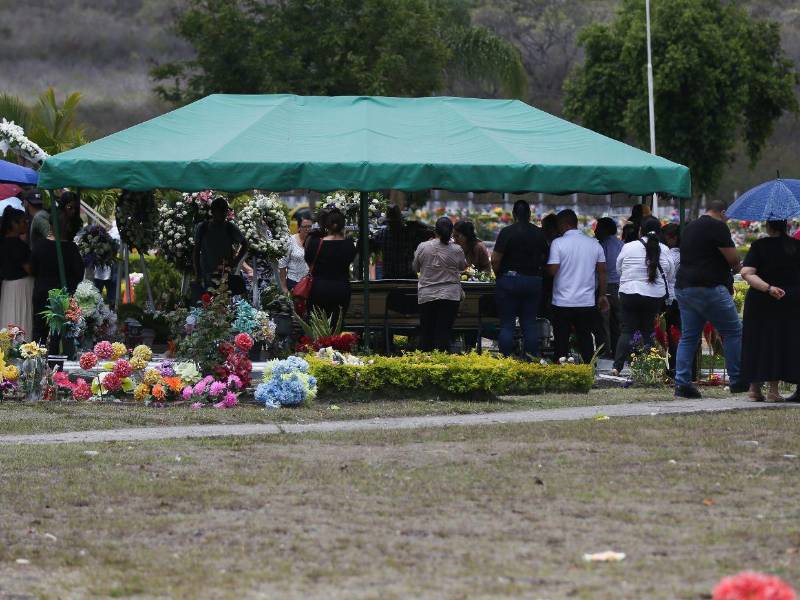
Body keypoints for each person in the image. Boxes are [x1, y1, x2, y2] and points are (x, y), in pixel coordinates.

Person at [674, 200, 747, 398]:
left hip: (684, 287)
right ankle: (737, 379)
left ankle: (682, 383)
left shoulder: (690, 227)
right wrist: (737, 267)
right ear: (722, 212)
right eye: (727, 215)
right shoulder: (717, 227)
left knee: (689, 337)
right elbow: (733, 259)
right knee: (733, 331)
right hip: (709, 287)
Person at [740, 220, 800, 402]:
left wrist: (768, 288)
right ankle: (773, 391)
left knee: (757, 341)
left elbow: (747, 273)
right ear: (787, 226)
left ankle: (754, 389)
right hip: (791, 300)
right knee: (780, 342)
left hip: (762, 299)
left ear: (768, 226)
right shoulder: (796, 246)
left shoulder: (760, 246)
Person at [611, 218, 674, 374]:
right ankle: (649, 367)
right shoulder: (665, 249)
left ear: (640, 231)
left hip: (629, 292)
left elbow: (619, 268)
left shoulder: (629, 246)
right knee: (647, 331)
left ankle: (617, 367)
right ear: (660, 232)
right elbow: (670, 273)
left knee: (627, 330)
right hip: (653, 296)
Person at [547, 209, 609, 363]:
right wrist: (602, 295)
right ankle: (588, 367)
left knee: (561, 339)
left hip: (562, 301)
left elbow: (553, 271)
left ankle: (561, 369)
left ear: (563, 225)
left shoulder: (558, 243)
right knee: (585, 337)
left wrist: (545, 267)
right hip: (586, 301)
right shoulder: (593, 244)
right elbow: (602, 272)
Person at [490, 200, 548, 358]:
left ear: (514, 215)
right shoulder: (539, 233)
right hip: (533, 281)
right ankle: (531, 360)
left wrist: (499, 276)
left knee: (507, 324)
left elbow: (495, 260)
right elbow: (545, 257)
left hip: (510, 280)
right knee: (529, 324)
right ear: (529, 215)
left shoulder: (507, 232)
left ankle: (506, 359)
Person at [31, 211, 84, 350]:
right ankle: (55, 362)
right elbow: (79, 274)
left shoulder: (40, 245)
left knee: (39, 330)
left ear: (50, 226)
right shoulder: (71, 248)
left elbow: (33, 269)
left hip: (42, 292)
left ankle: (37, 360)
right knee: (57, 332)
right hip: (62, 294)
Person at [413, 217, 467, 352]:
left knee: (426, 332)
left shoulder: (423, 246)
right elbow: (462, 266)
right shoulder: (457, 249)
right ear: (451, 232)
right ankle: (442, 364)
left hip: (427, 295)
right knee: (444, 332)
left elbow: (415, 268)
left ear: (435, 231)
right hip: (450, 296)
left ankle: (426, 364)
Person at [305, 208, 357, 326]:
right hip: (341, 289)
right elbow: (351, 259)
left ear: (327, 225)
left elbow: (308, 260)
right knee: (337, 325)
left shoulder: (316, 243)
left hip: (319, 289)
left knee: (316, 326)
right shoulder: (349, 244)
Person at [193, 197, 248, 293]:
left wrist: (235, 262)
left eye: (225, 211)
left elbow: (245, 244)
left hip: (224, 274)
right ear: (213, 212)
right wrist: (198, 274)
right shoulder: (203, 227)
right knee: (208, 302)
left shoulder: (229, 227)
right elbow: (196, 251)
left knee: (223, 302)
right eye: (220, 211)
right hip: (207, 274)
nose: (223, 214)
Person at [0, 208, 35, 339]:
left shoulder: (3, 243)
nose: (26, 224)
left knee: (10, 315)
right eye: (22, 222)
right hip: (20, 287)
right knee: (21, 316)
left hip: (8, 287)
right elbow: (29, 269)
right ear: (13, 224)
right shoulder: (18, 245)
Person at [594, 217, 624, 359]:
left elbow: (601, 270)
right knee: (618, 321)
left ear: (605, 229)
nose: (595, 231)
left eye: (598, 228)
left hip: (606, 286)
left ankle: (605, 352)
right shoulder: (621, 244)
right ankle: (618, 351)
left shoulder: (602, 246)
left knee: (603, 322)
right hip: (620, 286)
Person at [372, 205, 417, 279]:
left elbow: (372, 249)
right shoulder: (408, 234)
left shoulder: (380, 234)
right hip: (405, 276)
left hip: (390, 277)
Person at [279, 212, 313, 293]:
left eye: (309, 226)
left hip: (310, 282)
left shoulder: (314, 241)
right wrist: (283, 287)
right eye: (305, 227)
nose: (308, 229)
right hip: (294, 282)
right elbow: (282, 264)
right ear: (299, 228)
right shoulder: (290, 240)